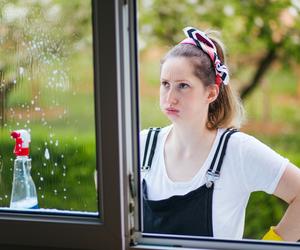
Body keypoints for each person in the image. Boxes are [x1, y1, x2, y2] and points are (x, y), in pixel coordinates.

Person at [140, 26, 300, 241]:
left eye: (183, 86)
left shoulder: (237, 151)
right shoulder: (142, 145)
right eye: (165, 84)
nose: (170, 97)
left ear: (211, 92)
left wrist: (270, 246)